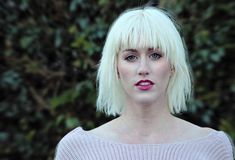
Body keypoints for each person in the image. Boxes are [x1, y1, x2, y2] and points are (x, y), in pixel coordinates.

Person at [55, 4, 234, 160]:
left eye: (155, 55)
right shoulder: (78, 149)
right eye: (131, 57)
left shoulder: (212, 147)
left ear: (173, 64)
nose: (143, 68)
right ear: (115, 67)